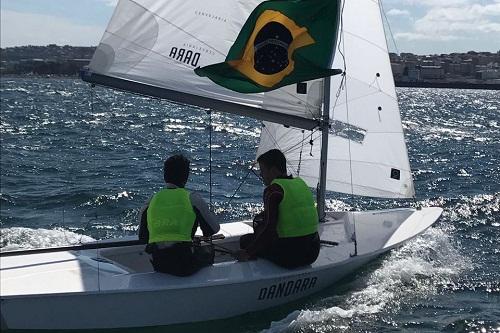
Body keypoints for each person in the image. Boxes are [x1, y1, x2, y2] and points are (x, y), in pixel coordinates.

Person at [236, 149, 320, 268]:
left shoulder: (273, 190)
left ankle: (255, 271)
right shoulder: (301, 183)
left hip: (290, 257)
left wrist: (247, 252)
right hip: (313, 252)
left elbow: (269, 229)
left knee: (245, 241)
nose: (261, 175)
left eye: (263, 171)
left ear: (273, 170)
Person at [138, 154, 220, 276]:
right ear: (186, 177)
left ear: (165, 176)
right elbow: (213, 230)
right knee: (208, 251)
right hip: (184, 265)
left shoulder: (151, 201)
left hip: (159, 263)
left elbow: (143, 237)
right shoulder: (192, 198)